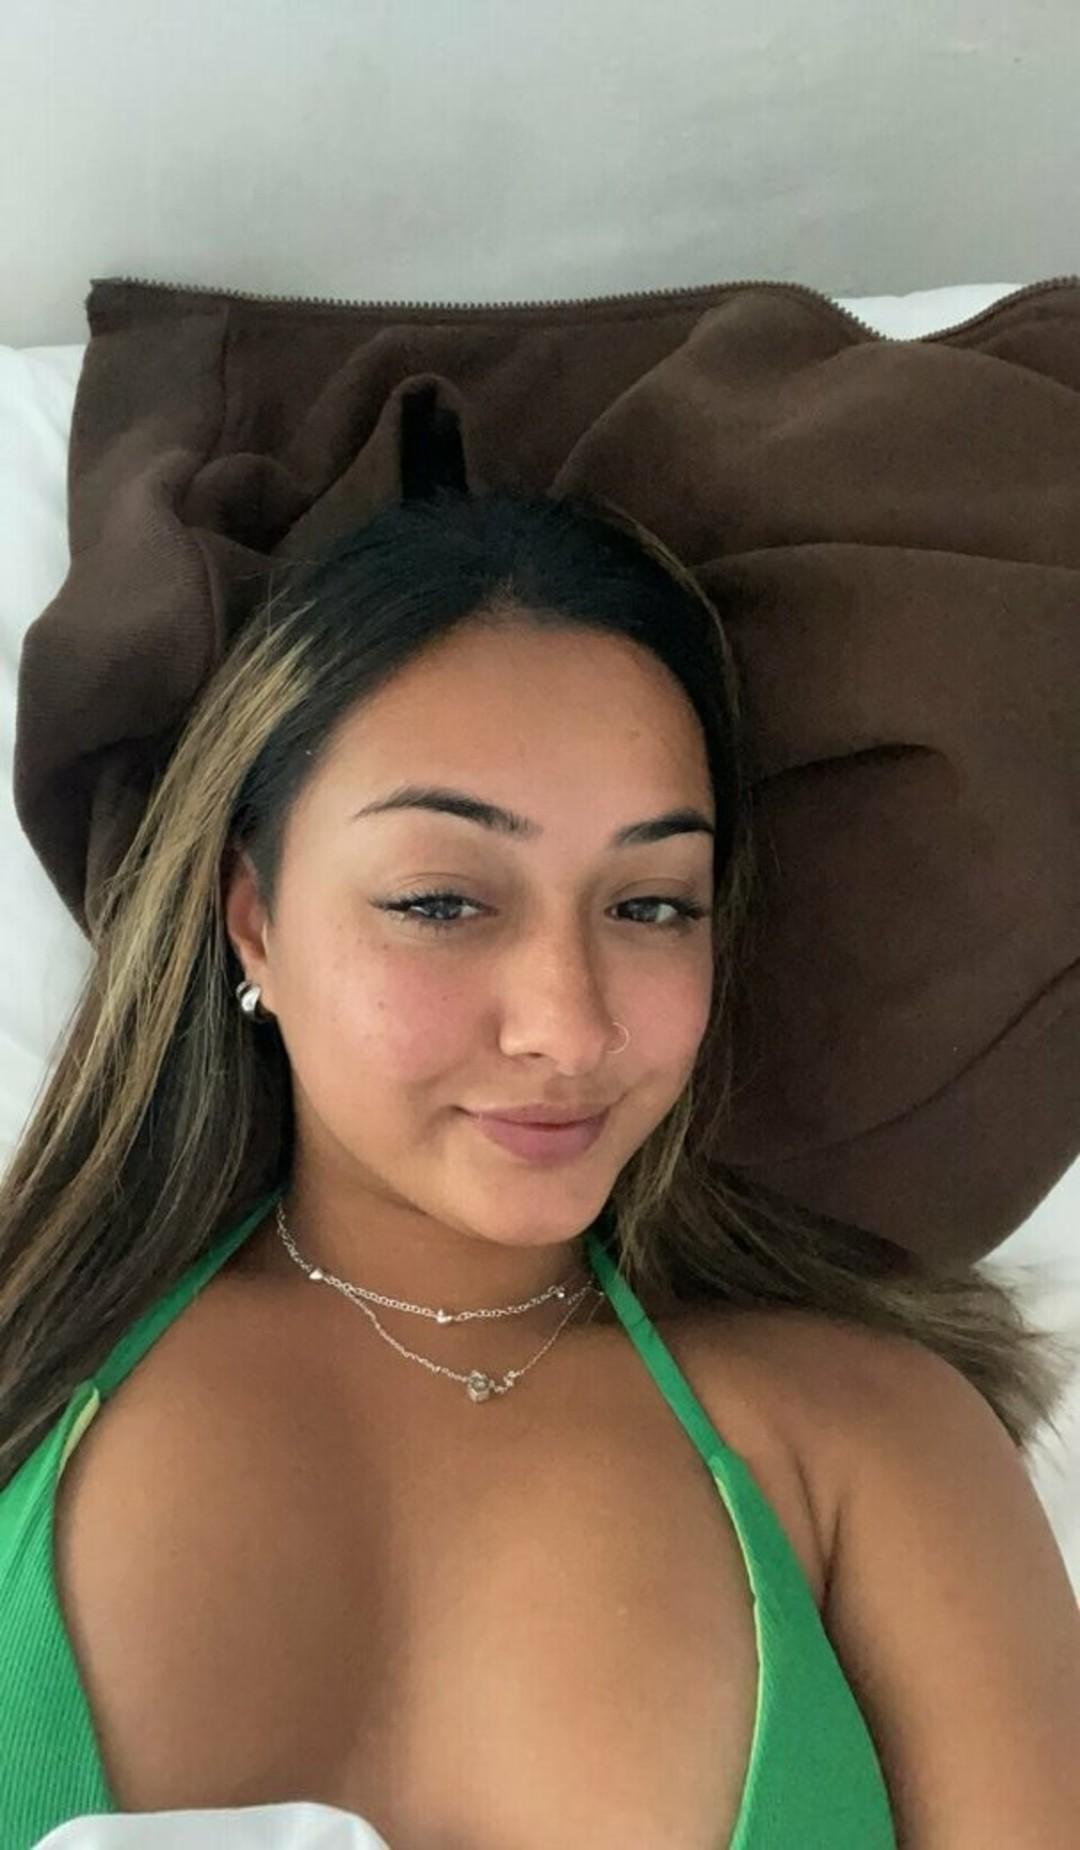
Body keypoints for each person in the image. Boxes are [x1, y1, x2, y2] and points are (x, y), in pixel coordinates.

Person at [1, 487, 1078, 1850]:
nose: (569, 1028)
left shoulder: (875, 1448)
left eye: (650, 904)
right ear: (255, 921)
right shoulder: (24, 1358)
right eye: (443, 901)